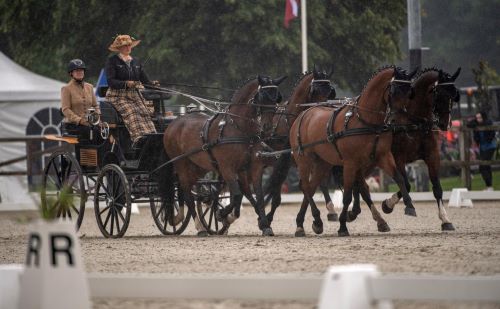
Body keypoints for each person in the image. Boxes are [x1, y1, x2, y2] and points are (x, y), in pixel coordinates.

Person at [105, 34, 157, 148]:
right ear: (119, 48)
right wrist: (125, 83)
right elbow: (111, 81)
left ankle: (152, 137)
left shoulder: (136, 62)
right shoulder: (112, 61)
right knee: (132, 112)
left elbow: (145, 80)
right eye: (124, 46)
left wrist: (152, 84)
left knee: (145, 112)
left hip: (135, 95)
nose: (128, 48)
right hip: (117, 96)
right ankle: (139, 140)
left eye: (129, 45)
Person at [61, 59, 101, 140]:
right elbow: (65, 109)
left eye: (82, 70)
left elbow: (95, 105)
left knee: (105, 132)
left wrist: (97, 118)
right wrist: (80, 120)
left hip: (90, 124)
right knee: (90, 132)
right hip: (73, 125)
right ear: (71, 73)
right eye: (77, 71)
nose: (80, 72)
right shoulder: (66, 89)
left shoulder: (89, 87)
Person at [467, 111, 497, 191]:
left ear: (484, 117)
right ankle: (489, 187)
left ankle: (489, 186)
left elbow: (490, 131)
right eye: (477, 118)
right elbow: (469, 124)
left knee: (483, 166)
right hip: (482, 147)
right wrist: (475, 121)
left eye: (480, 117)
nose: (478, 119)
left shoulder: (488, 122)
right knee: (486, 166)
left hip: (490, 146)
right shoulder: (476, 123)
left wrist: (478, 124)